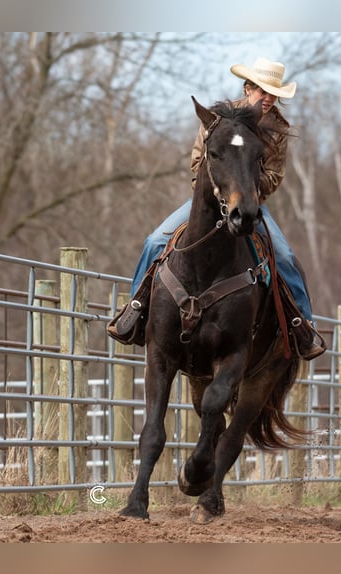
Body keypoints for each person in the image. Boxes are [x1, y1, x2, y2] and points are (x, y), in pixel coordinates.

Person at [108, 57, 325, 360]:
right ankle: (135, 309)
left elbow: (274, 177)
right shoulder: (216, 120)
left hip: (250, 204)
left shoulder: (276, 129)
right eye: (263, 91)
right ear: (248, 88)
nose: (268, 99)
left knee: (286, 257)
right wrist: (221, 186)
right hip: (210, 201)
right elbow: (198, 163)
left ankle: (303, 326)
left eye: (273, 94)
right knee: (155, 240)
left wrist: (246, 185)